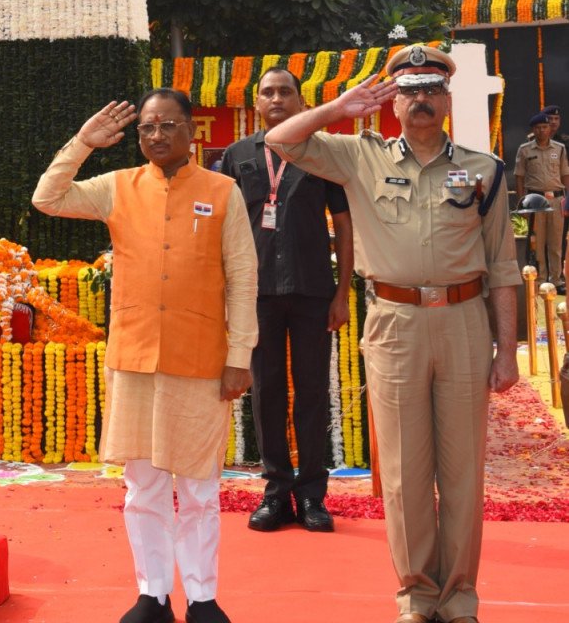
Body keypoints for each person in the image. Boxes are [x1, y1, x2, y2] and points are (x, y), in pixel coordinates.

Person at [265, 44, 519, 623]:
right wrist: (338, 108)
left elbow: (503, 266)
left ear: (447, 100)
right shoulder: (360, 156)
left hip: (463, 321)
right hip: (395, 324)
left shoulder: (484, 169)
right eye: (408, 90)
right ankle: (416, 596)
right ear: (393, 103)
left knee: (462, 471)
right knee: (404, 472)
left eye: (431, 89)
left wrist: (506, 350)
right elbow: (280, 140)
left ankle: (460, 598)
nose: (421, 99)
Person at [32, 89, 257, 623]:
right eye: (147, 128)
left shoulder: (222, 191)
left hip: (201, 358)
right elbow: (48, 197)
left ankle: (201, 598)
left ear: (191, 132)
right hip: (134, 357)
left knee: (199, 488)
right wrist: (83, 142)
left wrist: (240, 355)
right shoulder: (119, 187)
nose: (157, 135)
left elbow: (244, 276)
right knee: (142, 487)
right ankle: (152, 594)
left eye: (168, 125)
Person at [221, 67, 352, 535]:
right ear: (257, 103)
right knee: (267, 392)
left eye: (285, 92)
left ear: (300, 101)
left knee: (312, 391)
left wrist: (342, 293)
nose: (276, 99)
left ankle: (313, 494)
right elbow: (222, 228)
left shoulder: (321, 153)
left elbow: (344, 225)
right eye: (268, 92)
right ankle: (276, 492)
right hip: (256, 294)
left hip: (313, 291)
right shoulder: (237, 156)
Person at [515, 111, 569, 289]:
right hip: (535, 201)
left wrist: (568, 199)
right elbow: (519, 177)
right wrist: (521, 204)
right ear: (533, 129)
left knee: (556, 243)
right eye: (538, 128)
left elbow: (565, 174)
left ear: (549, 128)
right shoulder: (525, 150)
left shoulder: (559, 149)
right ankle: (540, 279)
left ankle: (556, 279)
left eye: (545, 127)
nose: (542, 130)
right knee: (537, 243)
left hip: (556, 200)